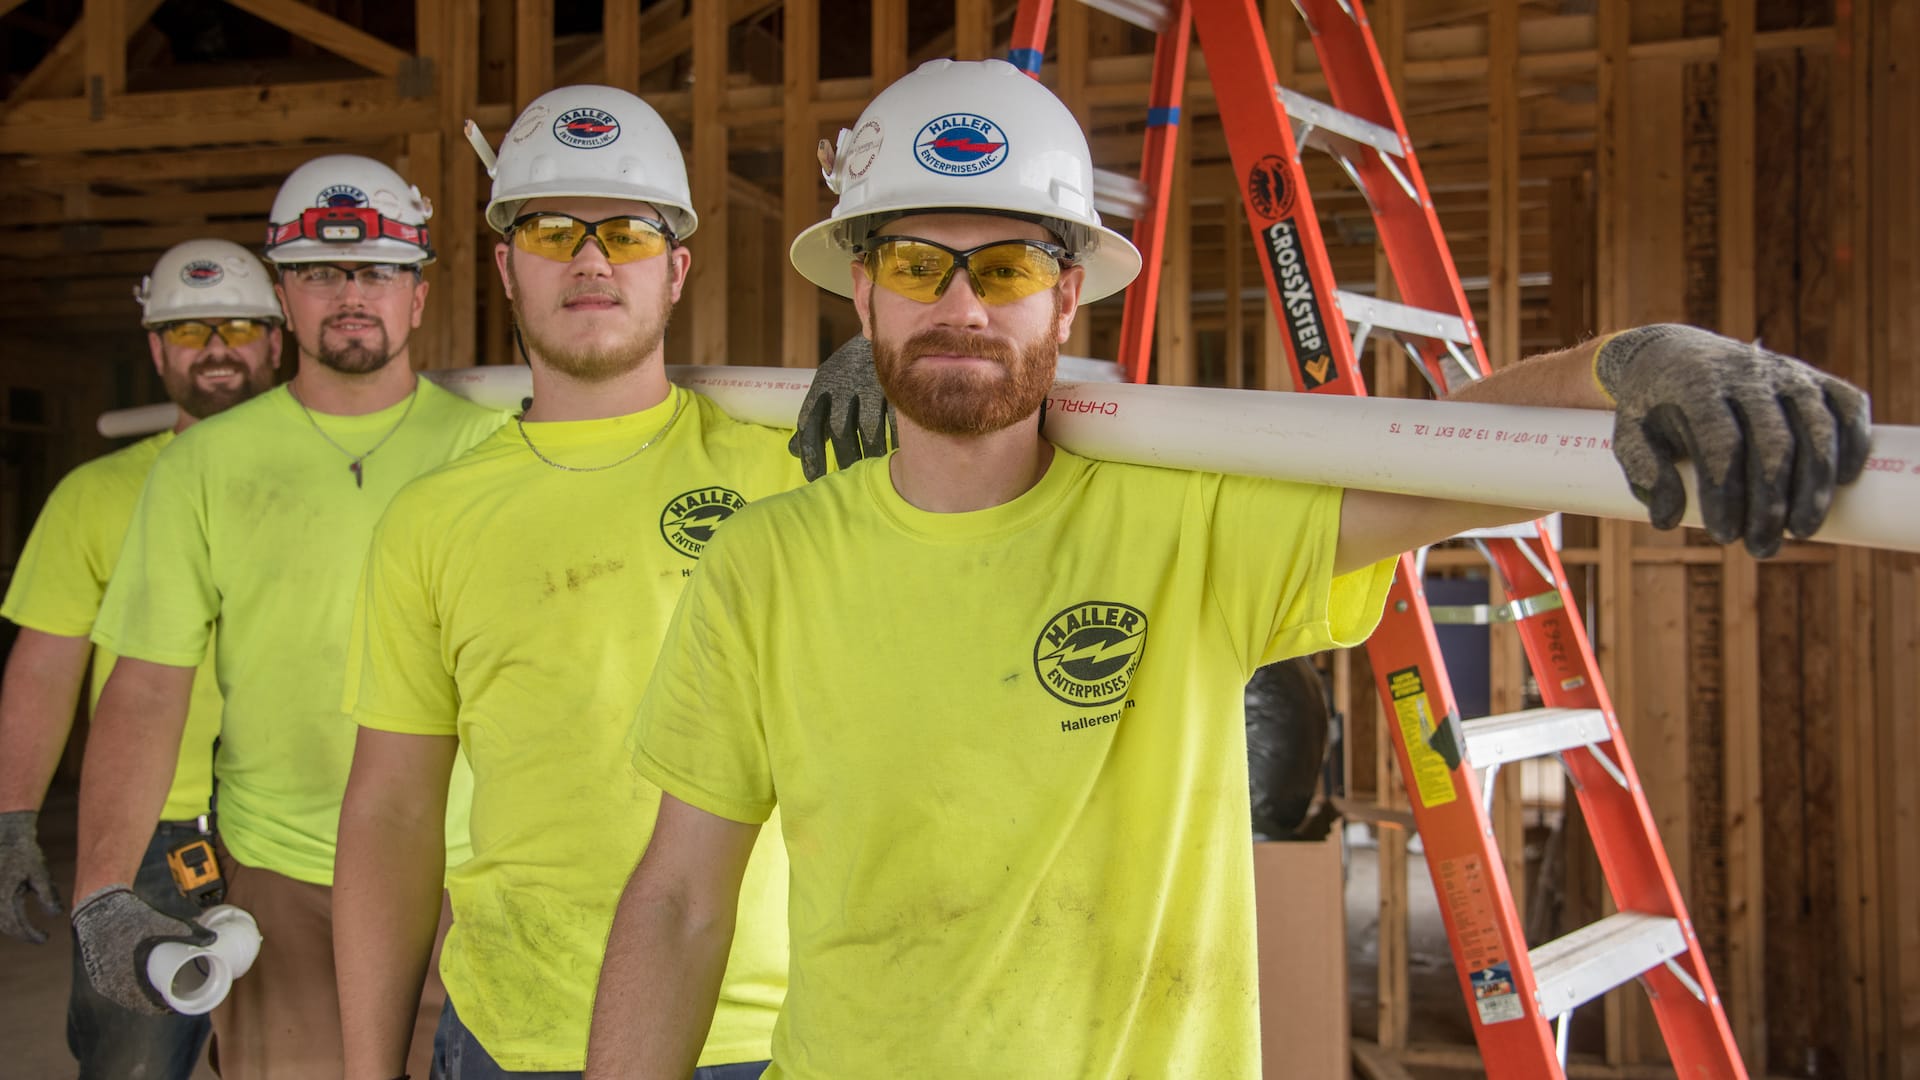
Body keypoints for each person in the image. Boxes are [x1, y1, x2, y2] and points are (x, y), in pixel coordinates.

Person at [585, 59, 1871, 1078]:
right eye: (919, 266)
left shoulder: (1184, 530)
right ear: (859, 298)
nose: (963, 307)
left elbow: (1454, 453)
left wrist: (1630, 362)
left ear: (1069, 295)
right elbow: (682, 900)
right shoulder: (764, 565)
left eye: (1011, 265)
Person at [334, 85, 848, 1080]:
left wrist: (907, 374)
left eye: (629, 234)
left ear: (678, 269)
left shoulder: (793, 473)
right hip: (518, 1036)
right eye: (553, 229)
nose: (591, 257)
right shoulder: (431, 521)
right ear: (505, 266)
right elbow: (391, 810)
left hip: (767, 1034)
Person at [69, 154, 506, 1078]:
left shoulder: (494, 450)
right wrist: (103, 889)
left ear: (418, 295)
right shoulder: (204, 466)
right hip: (281, 874)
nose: (351, 293)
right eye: (319, 271)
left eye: (379, 269)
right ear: (284, 295)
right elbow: (147, 687)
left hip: (480, 870)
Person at [0, 238, 282, 1079]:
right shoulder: (95, 496)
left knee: (300, 1059)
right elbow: (45, 666)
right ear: (156, 348)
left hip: (305, 828)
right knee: (132, 1063)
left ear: (276, 340)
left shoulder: (336, 480)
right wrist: (13, 814)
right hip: (157, 831)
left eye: (237, 326)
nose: (217, 349)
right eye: (189, 332)